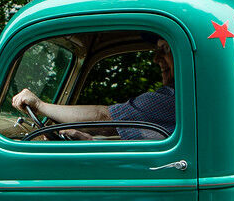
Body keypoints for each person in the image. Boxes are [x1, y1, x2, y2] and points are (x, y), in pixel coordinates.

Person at [9, 39, 175, 141]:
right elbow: (146, 137)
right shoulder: (184, 101)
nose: (156, 58)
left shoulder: (172, 99)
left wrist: (39, 105)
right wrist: (91, 140)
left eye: (165, 49)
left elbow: (104, 118)